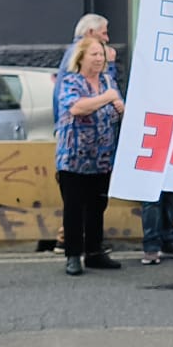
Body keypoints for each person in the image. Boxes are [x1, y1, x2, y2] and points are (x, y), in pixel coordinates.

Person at [54, 36, 124, 275]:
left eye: (101, 54)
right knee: (74, 207)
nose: (99, 59)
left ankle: (94, 252)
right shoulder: (71, 81)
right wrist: (108, 98)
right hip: (73, 158)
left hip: (102, 157)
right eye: (94, 54)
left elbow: (117, 109)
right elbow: (76, 108)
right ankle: (73, 255)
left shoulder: (107, 81)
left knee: (97, 206)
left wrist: (119, 106)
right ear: (81, 57)